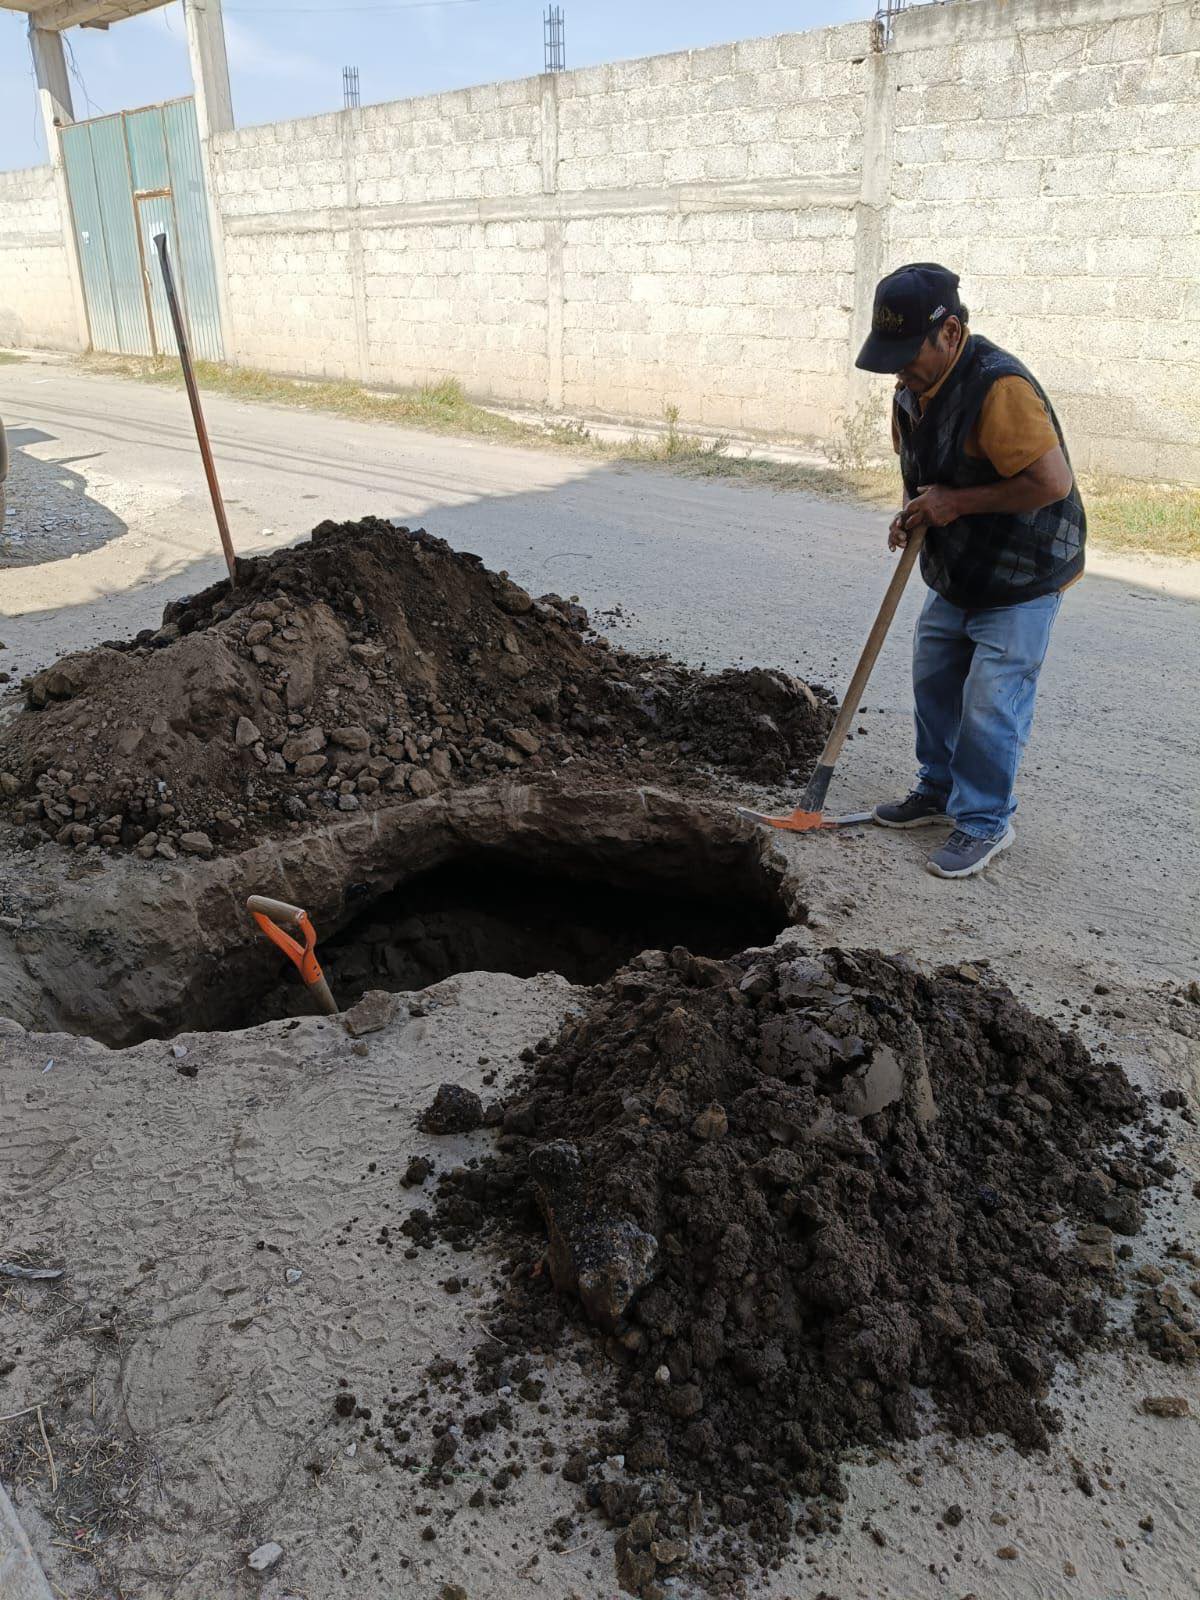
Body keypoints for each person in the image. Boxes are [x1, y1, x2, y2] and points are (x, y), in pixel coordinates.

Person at [854, 263, 1085, 879]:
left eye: (908, 354)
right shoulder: (912, 391)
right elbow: (924, 471)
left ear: (950, 332)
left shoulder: (998, 388)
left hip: (1023, 572)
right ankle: (937, 789)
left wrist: (953, 504)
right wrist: (913, 513)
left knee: (989, 699)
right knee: (933, 677)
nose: (898, 371)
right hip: (959, 569)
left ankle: (984, 820)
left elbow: (1051, 482)